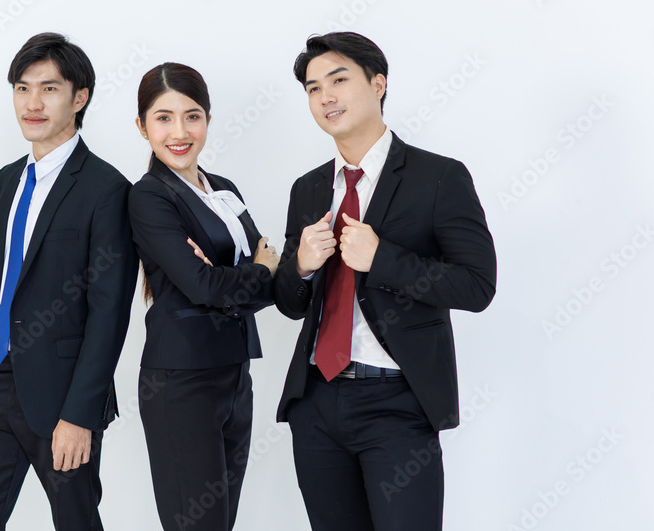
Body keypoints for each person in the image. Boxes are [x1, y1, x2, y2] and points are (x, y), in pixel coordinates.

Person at [273, 32, 497, 530]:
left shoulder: (438, 178)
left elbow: (478, 285)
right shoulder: (308, 188)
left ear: (378, 84)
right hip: (315, 401)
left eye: (338, 79)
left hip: (396, 402)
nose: (325, 96)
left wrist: (383, 259)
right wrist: (301, 267)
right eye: (312, 88)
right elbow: (290, 303)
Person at [0, 32, 138, 531]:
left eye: (49, 89)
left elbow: (110, 312)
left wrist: (80, 415)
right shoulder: (6, 180)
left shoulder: (107, 189)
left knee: (77, 523)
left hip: (62, 400)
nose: (32, 103)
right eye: (22, 88)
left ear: (80, 98)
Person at [128, 62, 278, 531]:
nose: (179, 131)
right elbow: (205, 286)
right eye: (163, 118)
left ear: (208, 120)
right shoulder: (149, 197)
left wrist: (241, 276)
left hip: (235, 375)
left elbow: (267, 282)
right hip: (181, 382)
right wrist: (252, 271)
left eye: (192, 116)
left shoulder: (225, 191)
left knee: (221, 522)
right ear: (142, 126)